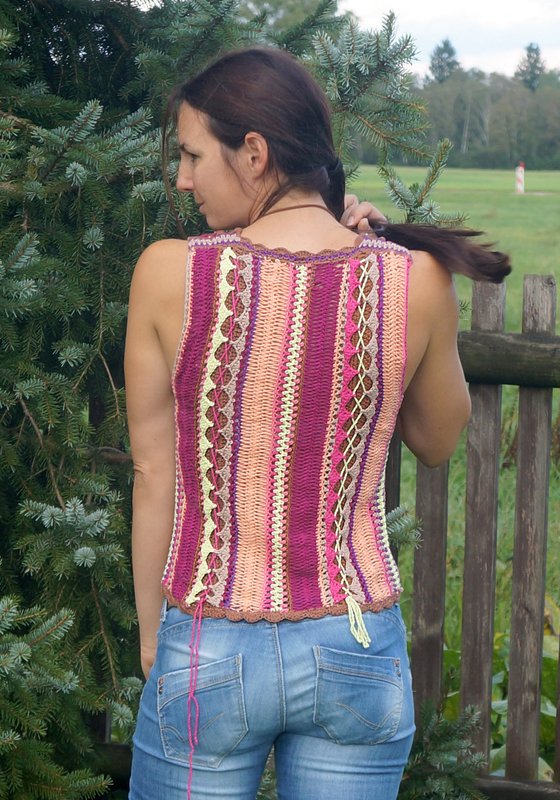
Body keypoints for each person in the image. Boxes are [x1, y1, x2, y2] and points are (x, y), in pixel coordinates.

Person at [125, 47, 510, 800]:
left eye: (193, 155)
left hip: (209, 638)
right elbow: (438, 442)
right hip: (355, 644)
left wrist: (153, 638)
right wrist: (387, 266)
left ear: (255, 153)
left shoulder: (169, 272)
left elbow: (152, 472)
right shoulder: (411, 278)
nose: (183, 179)